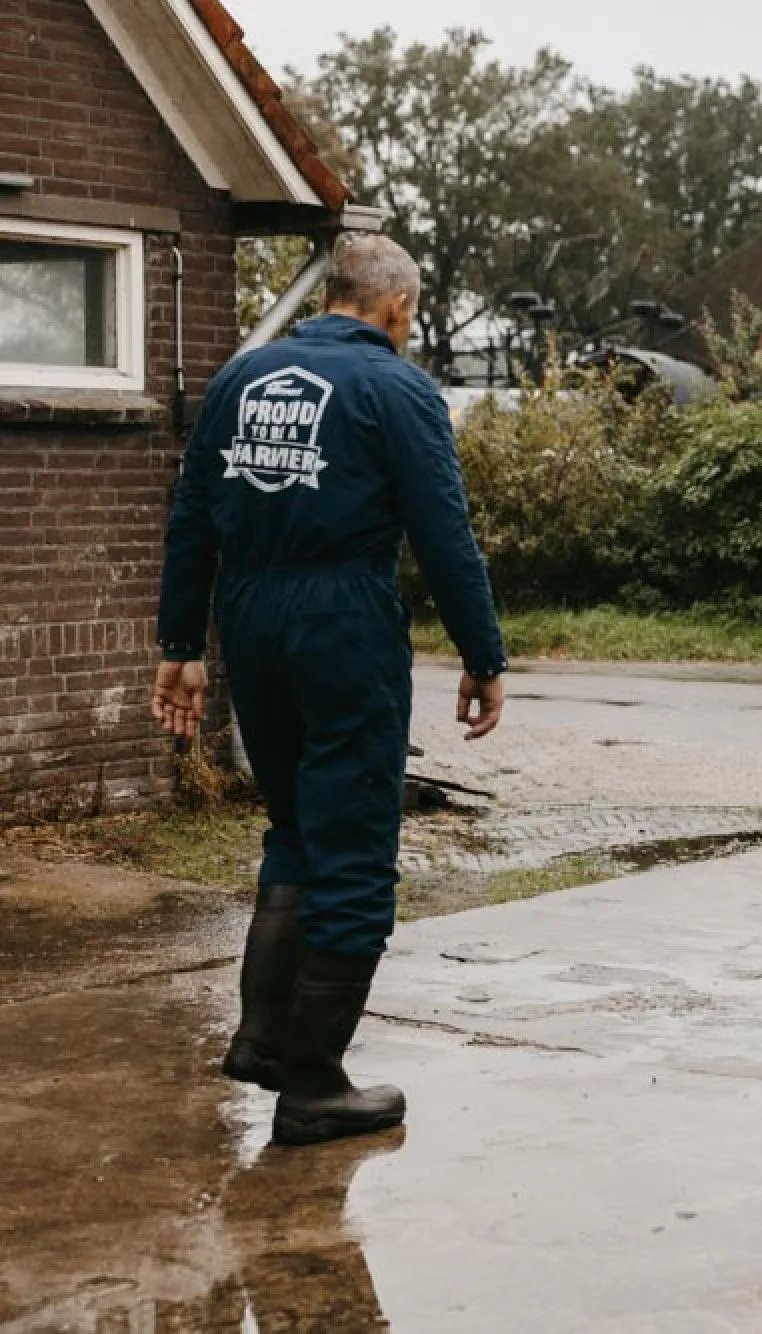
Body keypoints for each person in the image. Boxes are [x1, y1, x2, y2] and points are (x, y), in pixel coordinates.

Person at [152, 235, 509, 1146]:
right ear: (396, 308)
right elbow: (443, 533)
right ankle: (313, 1085)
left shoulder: (242, 378)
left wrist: (181, 644)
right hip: (341, 617)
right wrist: (483, 653)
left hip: (249, 617)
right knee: (353, 844)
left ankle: (266, 1037)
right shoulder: (399, 389)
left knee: (295, 828)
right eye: (412, 315)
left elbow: (191, 511)